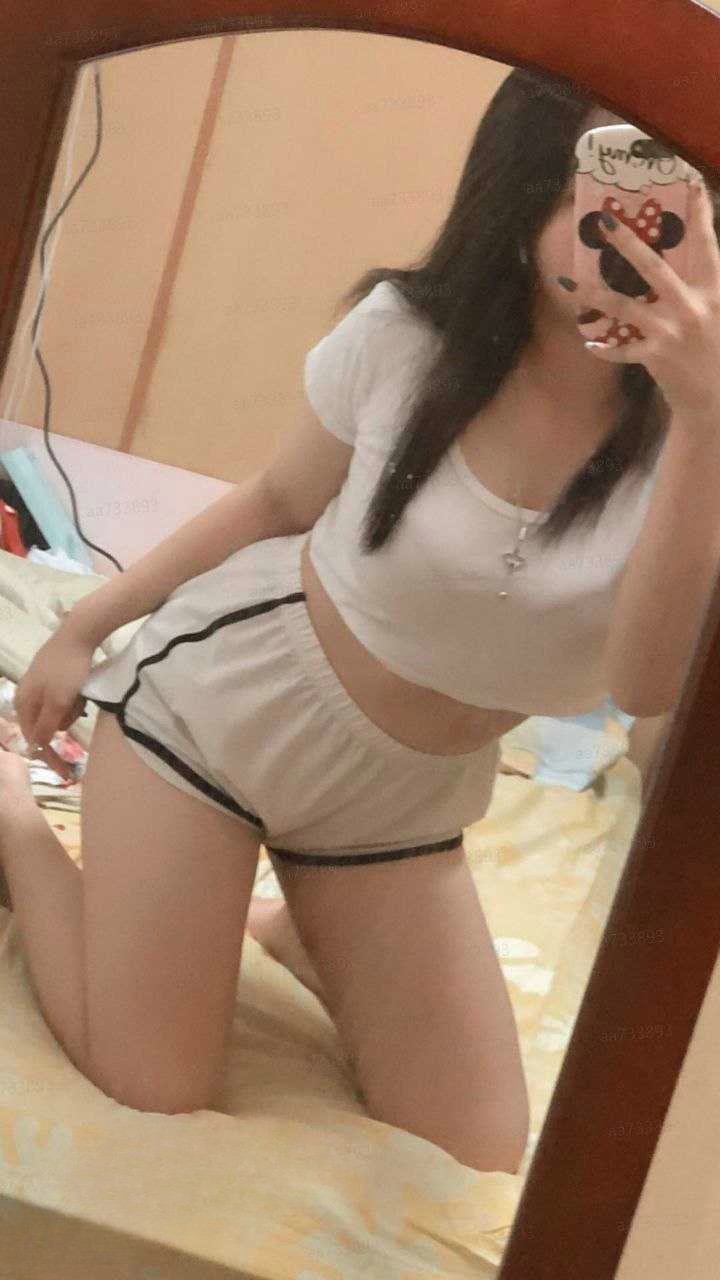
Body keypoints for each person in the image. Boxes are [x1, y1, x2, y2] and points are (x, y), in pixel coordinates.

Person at [1, 68, 711, 1175]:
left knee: (478, 1145)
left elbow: (646, 681)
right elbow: (278, 499)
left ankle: (292, 924)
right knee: (154, 1084)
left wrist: (704, 413)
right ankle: (10, 813)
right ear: (526, 193)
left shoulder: (696, 428)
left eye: (679, 198)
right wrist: (82, 626)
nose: (641, 234)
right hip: (218, 727)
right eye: (604, 193)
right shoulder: (408, 339)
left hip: (400, 805)